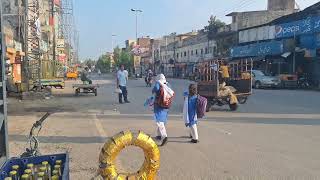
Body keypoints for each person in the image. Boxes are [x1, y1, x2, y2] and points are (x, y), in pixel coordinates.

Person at [152, 74, 174, 146]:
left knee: (159, 121)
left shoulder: (158, 84)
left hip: (159, 105)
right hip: (166, 105)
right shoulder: (168, 84)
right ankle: (159, 135)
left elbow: (154, 90)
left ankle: (164, 136)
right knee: (162, 120)